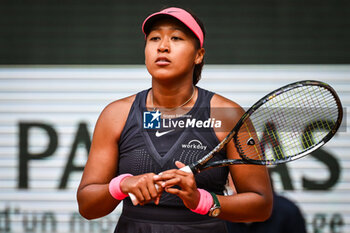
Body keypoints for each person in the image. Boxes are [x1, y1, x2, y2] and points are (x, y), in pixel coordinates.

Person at [77, 7, 273, 233]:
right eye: (154, 38)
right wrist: (120, 185)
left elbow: (262, 206)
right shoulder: (116, 114)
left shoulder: (227, 114)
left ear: (198, 55)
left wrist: (202, 201)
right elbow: (87, 206)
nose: (162, 46)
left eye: (176, 38)